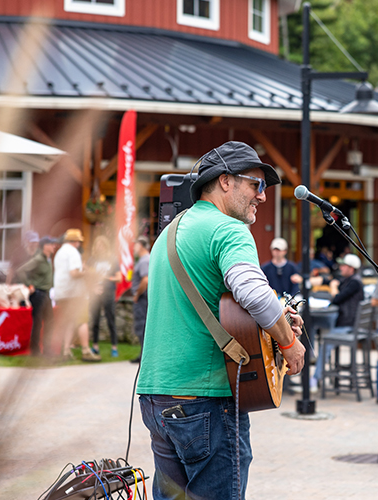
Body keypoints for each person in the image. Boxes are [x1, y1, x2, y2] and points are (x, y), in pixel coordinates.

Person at [136, 141, 305, 500]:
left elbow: (220, 305)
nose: (262, 196)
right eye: (255, 185)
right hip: (205, 397)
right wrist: (288, 342)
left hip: (156, 395)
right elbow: (253, 294)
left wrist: (274, 320)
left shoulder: (170, 232)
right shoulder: (229, 230)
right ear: (225, 181)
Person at [313, 253, 365, 389]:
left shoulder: (355, 282)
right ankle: (311, 354)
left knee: (326, 343)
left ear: (351, 268)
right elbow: (331, 281)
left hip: (347, 325)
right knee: (312, 322)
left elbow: (337, 298)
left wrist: (334, 287)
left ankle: (314, 379)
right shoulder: (349, 280)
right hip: (342, 321)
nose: (340, 267)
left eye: (344, 265)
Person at [52, 229, 100, 362]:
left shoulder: (59, 253)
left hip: (61, 292)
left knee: (68, 322)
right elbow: (73, 273)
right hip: (75, 293)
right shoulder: (73, 252)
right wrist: (87, 272)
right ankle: (85, 350)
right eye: (79, 241)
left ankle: (66, 351)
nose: (79, 244)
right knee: (82, 320)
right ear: (75, 242)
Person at [16, 236, 59, 355]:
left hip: (46, 294)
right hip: (39, 294)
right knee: (38, 323)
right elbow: (21, 270)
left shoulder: (48, 259)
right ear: (45, 246)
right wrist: (30, 285)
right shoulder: (38, 259)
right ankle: (35, 351)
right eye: (51, 244)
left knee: (50, 322)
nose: (54, 246)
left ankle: (47, 349)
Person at [88, 235, 121, 357]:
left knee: (110, 319)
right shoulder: (92, 260)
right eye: (97, 245)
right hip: (95, 293)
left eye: (102, 245)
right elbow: (87, 277)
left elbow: (119, 277)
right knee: (95, 320)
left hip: (108, 292)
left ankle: (114, 347)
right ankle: (95, 346)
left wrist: (107, 278)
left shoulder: (112, 260)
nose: (99, 248)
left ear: (106, 247)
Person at [130, 235, 150, 364]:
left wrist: (137, 294)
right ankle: (143, 354)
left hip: (142, 299)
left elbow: (145, 279)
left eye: (135, 244)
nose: (134, 247)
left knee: (142, 326)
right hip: (143, 299)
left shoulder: (144, 260)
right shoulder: (144, 259)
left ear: (141, 245)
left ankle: (144, 356)